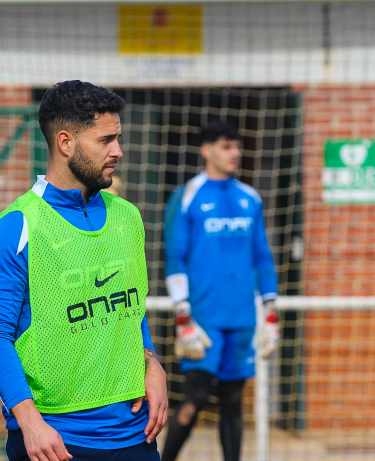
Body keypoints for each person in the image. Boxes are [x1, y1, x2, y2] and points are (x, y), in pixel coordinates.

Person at [0, 80, 167, 461]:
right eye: (106, 140)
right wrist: (29, 422)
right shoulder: (17, 228)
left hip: (135, 436)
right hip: (55, 442)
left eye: (118, 138)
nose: (119, 151)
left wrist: (152, 362)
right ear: (66, 143)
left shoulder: (127, 217)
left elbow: (130, 310)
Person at [161, 119, 279, 461]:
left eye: (237, 146)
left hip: (242, 319)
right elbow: (175, 257)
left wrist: (270, 315)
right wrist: (183, 315)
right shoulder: (186, 197)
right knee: (195, 398)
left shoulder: (249, 198)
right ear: (206, 150)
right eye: (227, 146)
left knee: (232, 404)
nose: (235, 153)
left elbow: (262, 257)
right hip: (203, 320)